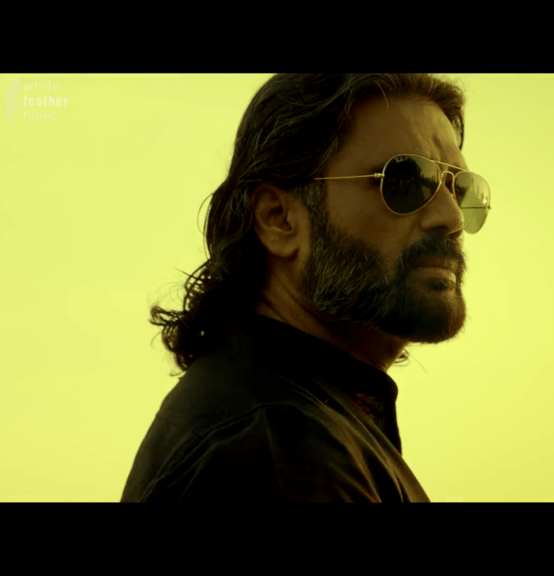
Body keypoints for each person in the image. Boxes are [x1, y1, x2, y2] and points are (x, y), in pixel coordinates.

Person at [120, 73, 492, 502]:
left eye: (459, 189)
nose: (452, 218)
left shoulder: (290, 418)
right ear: (279, 219)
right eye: (405, 180)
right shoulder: (278, 445)